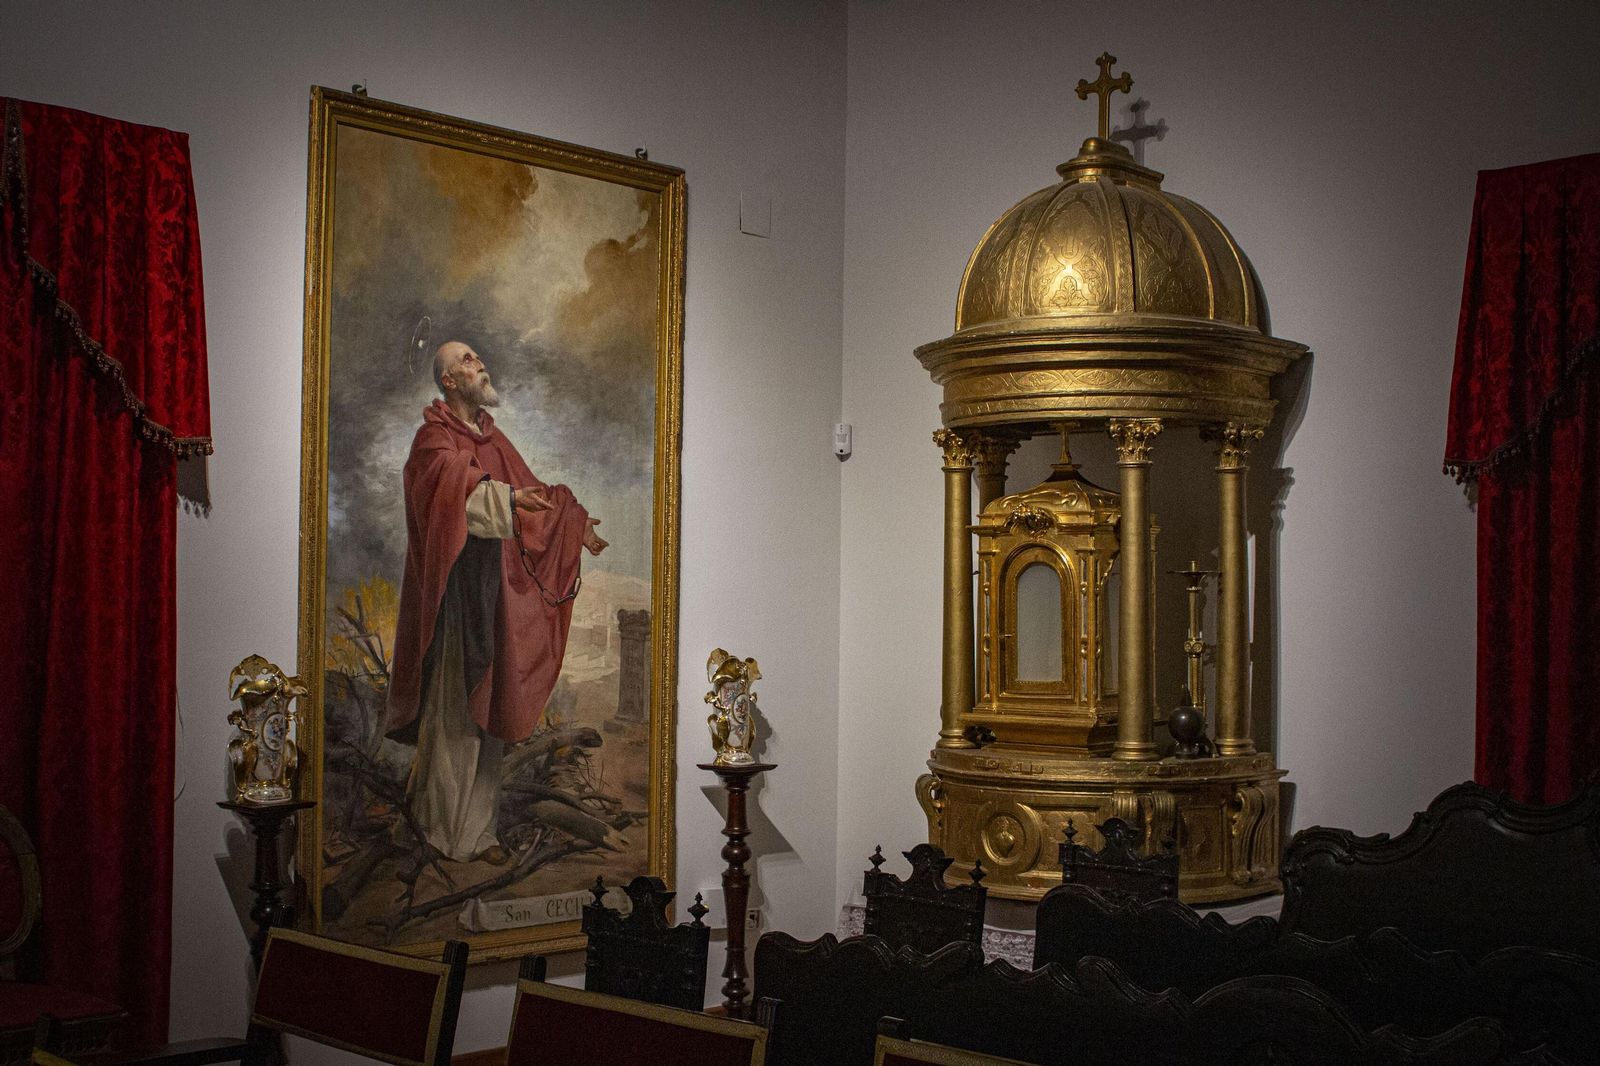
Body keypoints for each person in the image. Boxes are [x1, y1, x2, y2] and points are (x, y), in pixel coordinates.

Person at [385, 340, 607, 864]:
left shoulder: (493, 438)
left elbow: (531, 494)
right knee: (453, 717)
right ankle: (439, 831)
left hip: (494, 599)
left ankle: (479, 833)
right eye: (466, 360)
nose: (478, 363)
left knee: (485, 715)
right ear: (448, 381)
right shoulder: (433, 440)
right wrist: (504, 499)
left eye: (477, 357)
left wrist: (572, 523)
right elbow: (449, 492)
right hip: (454, 600)